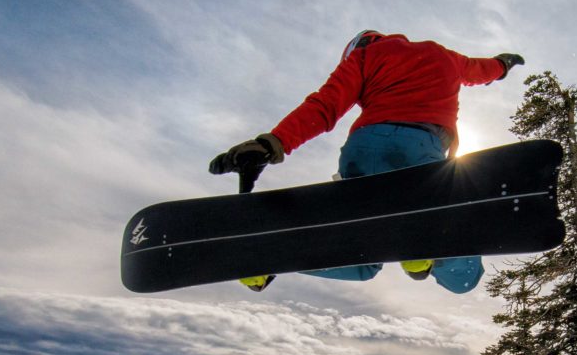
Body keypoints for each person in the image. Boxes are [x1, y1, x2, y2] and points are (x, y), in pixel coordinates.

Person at [209, 30, 524, 293]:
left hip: (362, 152)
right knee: (463, 279)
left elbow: (324, 106)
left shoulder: (363, 57)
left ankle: (271, 256)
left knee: (363, 259)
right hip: (420, 152)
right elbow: (482, 70)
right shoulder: (442, 55)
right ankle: (426, 246)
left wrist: (269, 144)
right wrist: (503, 64)